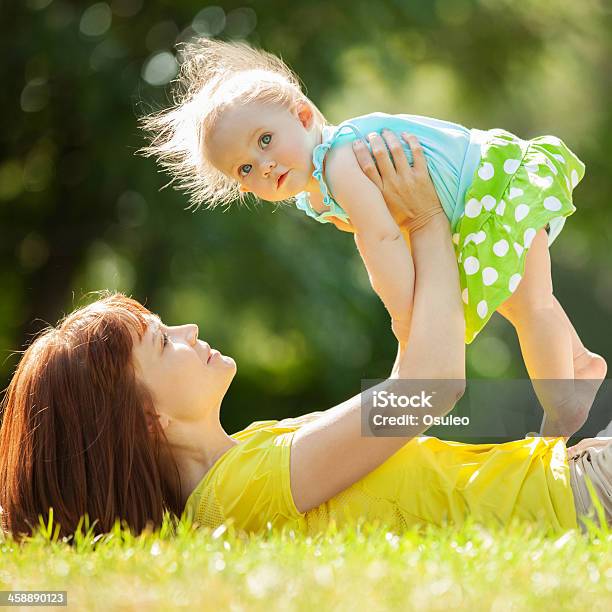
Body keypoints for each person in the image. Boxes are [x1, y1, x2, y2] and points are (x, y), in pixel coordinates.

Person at [1, 140, 609, 541]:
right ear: (146, 418)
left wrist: (393, 247)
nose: (187, 330)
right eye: (163, 344)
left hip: (570, 479)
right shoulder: (240, 494)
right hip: (577, 500)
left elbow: (406, 391)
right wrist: (426, 222)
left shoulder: (250, 458)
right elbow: (430, 389)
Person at [140, 39, 607, 437]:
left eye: (265, 140)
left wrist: (407, 318)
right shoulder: (318, 190)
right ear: (243, 188)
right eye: (245, 169)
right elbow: (387, 232)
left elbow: (382, 240)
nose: (263, 165)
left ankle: (562, 404)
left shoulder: (338, 160)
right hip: (472, 211)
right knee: (516, 298)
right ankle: (580, 363)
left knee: (531, 306)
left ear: (303, 117)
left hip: (492, 188)